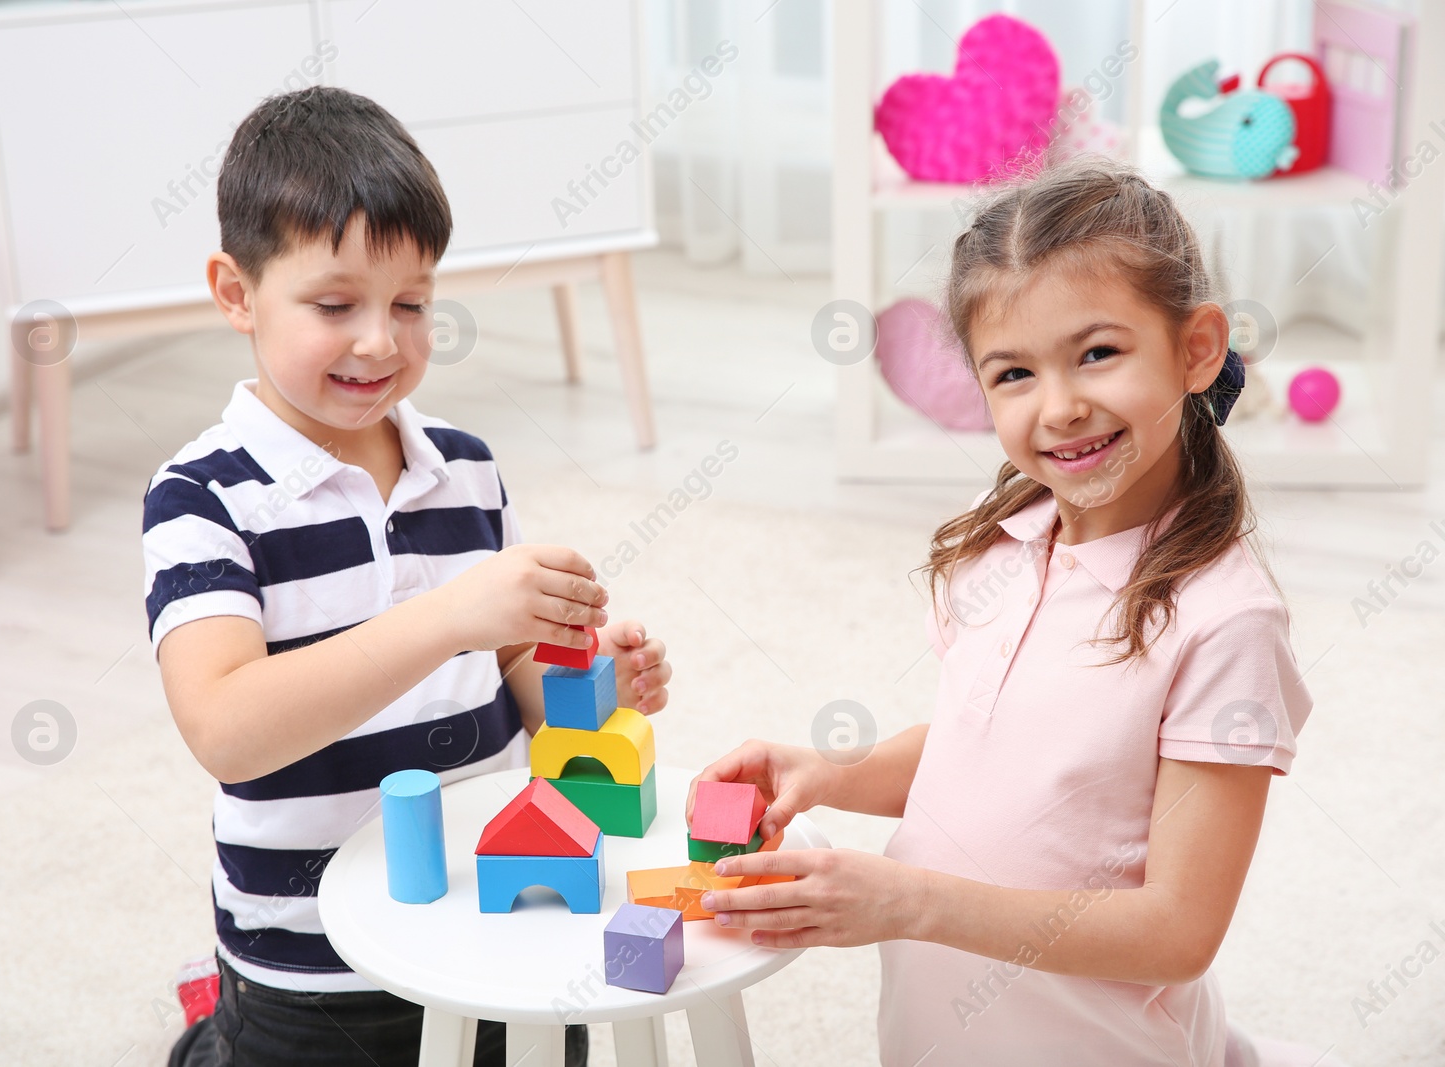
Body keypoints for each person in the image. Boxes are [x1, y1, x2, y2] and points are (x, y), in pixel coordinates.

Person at [688, 159, 1336, 1067]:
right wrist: (833, 772)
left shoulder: (1225, 622)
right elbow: (981, 745)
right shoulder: (1008, 540)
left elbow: (1180, 930)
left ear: (1195, 348)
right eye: (1014, 373)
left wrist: (911, 899)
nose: (1061, 407)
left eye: (1098, 353)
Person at [142, 86, 671, 1067]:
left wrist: (593, 701)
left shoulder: (464, 464)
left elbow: (520, 680)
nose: (381, 339)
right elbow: (228, 730)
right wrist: (447, 615)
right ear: (235, 292)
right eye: (335, 304)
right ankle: (209, 1028)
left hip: (492, 921)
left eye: (413, 303)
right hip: (313, 964)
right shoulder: (202, 500)